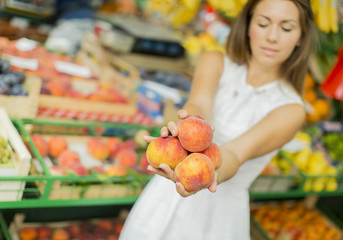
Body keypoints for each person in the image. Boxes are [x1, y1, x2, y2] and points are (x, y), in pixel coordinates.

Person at [119, 0, 317, 239]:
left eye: (286, 28)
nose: (272, 37)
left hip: (219, 217)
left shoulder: (291, 109)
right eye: (263, 24)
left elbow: (235, 153)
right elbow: (200, 104)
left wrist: (211, 175)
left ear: (300, 37)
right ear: (247, 25)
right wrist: (186, 123)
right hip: (167, 196)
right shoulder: (215, 61)